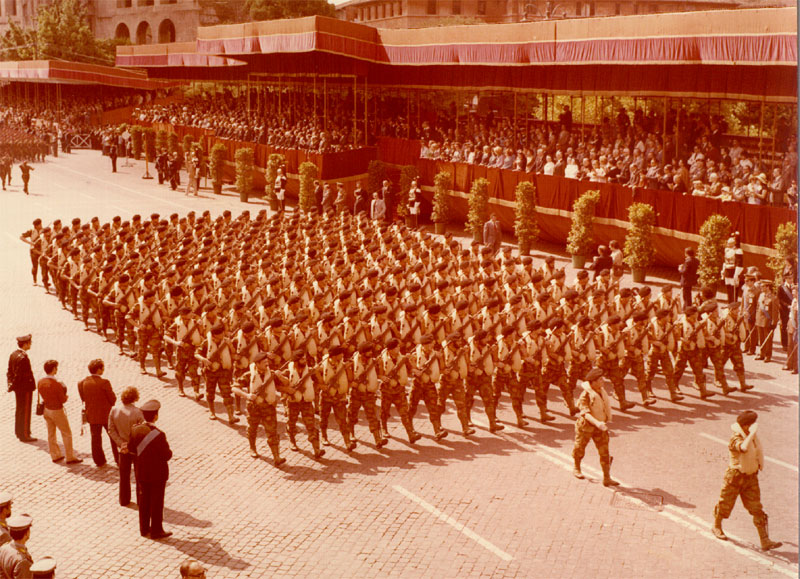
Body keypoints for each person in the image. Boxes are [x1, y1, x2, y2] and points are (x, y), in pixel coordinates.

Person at [712, 410, 782, 551]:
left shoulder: (752, 437)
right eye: (751, 424)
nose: (754, 427)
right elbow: (743, 448)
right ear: (745, 426)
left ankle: (765, 540)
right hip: (735, 477)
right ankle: (716, 526)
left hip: (750, 478)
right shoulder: (735, 438)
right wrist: (751, 434)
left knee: (756, 509)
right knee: (725, 504)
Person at [130, 399, 172, 539]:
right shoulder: (159, 435)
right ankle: (156, 530)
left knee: (144, 501)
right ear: (155, 416)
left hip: (142, 472)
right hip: (157, 474)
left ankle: (144, 529)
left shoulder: (135, 430)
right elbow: (167, 455)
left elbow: (131, 449)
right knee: (157, 502)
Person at [572, 367, 620, 487]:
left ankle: (607, 477)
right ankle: (576, 468)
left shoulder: (601, 391)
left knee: (604, 452)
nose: (602, 381)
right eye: (599, 379)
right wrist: (597, 423)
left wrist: (602, 423)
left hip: (600, 427)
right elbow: (585, 413)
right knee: (579, 448)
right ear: (592, 382)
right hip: (586, 427)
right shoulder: (586, 395)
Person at [36, 360, 82, 464]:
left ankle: (55, 455)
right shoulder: (56, 384)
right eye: (56, 368)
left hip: (46, 409)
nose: (57, 369)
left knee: (51, 433)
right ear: (53, 369)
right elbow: (63, 399)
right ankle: (70, 456)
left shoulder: (40, 382)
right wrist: (66, 396)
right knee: (66, 433)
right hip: (57, 410)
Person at [78, 359, 119, 467]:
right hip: (106, 415)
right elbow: (112, 399)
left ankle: (99, 460)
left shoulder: (82, 382)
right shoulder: (104, 382)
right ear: (98, 369)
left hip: (92, 415)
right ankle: (118, 458)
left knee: (95, 438)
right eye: (102, 368)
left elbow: (83, 398)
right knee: (114, 437)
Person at [108, 387, 145, 506]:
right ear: (135, 398)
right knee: (139, 476)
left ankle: (124, 500)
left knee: (124, 476)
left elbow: (111, 430)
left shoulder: (114, 410)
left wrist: (121, 443)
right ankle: (141, 500)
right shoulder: (138, 412)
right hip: (135, 449)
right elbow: (142, 432)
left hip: (122, 449)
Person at [6, 334, 37, 442]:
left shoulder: (14, 354)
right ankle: (25, 434)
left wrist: (11, 385)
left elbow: (9, 371)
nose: (31, 345)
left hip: (18, 389)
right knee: (25, 411)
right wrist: (15, 384)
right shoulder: (23, 358)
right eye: (29, 343)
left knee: (19, 410)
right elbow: (19, 375)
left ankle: (18, 431)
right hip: (25, 389)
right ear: (25, 344)